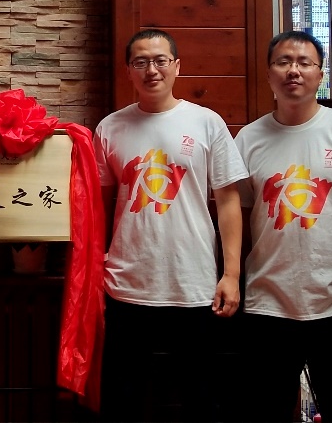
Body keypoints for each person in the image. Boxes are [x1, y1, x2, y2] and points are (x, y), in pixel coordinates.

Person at [233, 30, 332, 421]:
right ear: (269, 73)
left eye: (305, 63)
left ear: (320, 74)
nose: (294, 71)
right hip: (268, 302)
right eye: (283, 62)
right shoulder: (249, 138)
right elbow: (242, 220)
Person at [95, 28, 247, 421]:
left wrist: (231, 274)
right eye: (141, 62)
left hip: (193, 284)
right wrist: (96, 264)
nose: (152, 70)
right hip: (126, 285)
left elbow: (228, 201)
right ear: (129, 70)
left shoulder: (206, 122)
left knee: (202, 398)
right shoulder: (110, 128)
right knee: (123, 399)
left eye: (160, 60)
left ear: (177, 66)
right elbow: (99, 204)